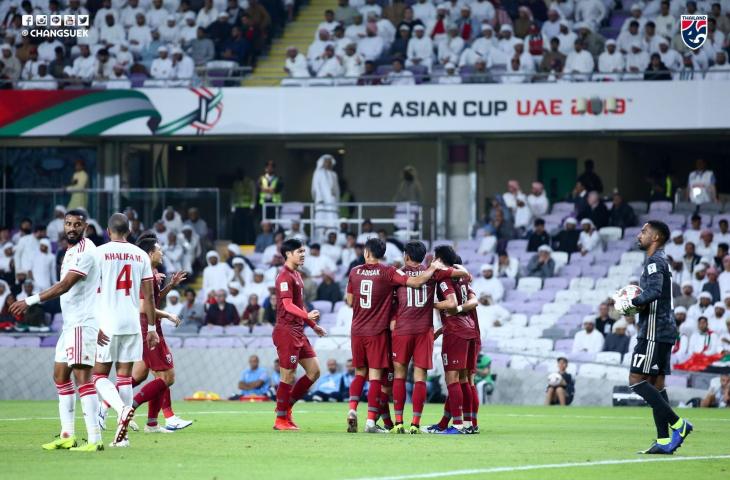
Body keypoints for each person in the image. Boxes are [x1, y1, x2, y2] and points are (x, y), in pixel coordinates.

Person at [10, 209, 102, 451]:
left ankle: (94, 439)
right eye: (68, 223)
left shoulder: (86, 252)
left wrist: (28, 301)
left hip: (82, 323)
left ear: (86, 227)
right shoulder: (70, 251)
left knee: (83, 378)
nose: (72, 228)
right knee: (60, 377)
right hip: (69, 325)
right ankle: (67, 435)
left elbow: (64, 286)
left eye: (77, 224)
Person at [346, 238, 445, 433]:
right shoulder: (392, 272)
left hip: (377, 330)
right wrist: (433, 268)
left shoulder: (357, 271)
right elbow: (426, 281)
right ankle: (411, 424)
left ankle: (391, 420)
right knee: (415, 377)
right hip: (413, 330)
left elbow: (350, 300)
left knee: (371, 374)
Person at [614, 220, 693, 454]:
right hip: (665, 329)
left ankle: (679, 425)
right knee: (657, 385)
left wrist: (631, 302)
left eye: (644, 232)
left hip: (653, 331)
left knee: (636, 380)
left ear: (656, 237)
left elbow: (654, 291)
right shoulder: (659, 261)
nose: (640, 235)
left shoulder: (654, 261)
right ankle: (662, 441)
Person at [89, 213, 159, 448]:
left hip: (106, 323)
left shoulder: (98, 253)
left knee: (98, 375)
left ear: (108, 231)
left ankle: (121, 409)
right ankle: (124, 437)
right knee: (124, 377)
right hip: (132, 323)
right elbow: (148, 296)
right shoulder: (140, 255)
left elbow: (88, 291)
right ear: (129, 232)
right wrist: (151, 327)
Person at [391, 241, 467, 434]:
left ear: (406, 256)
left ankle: (398, 422)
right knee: (420, 378)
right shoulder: (434, 273)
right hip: (424, 330)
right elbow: (465, 274)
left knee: (399, 374)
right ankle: (415, 424)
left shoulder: (398, 273)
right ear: (425, 256)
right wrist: (441, 265)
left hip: (402, 329)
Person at [120, 236, 191, 433]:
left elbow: (154, 300)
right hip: (148, 328)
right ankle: (129, 408)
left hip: (149, 326)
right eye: (159, 250)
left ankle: (151, 422)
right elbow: (143, 307)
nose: (162, 253)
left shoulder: (151, 273)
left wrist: (169, 286)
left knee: (141, 376)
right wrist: (167, 314)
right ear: (150, 253)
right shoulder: (146, 275)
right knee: (166, 376)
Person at [272, 238, 327, 430]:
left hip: (298, 331)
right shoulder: (284, 277)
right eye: (299, 251)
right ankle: (280, 420)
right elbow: (287, 305)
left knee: (314, 371)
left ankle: (286, 408)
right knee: (287, 376)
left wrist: (312, 325)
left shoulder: (297, 275)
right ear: (288, 254)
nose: (303, 254)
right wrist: (306, 315)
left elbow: (298, 304)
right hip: (286, 331)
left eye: (304, 251)